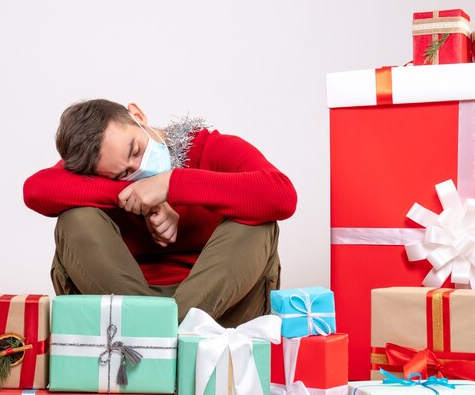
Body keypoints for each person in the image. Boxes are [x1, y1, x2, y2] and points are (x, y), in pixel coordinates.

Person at [23, 99, 297, 327]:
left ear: (138, 115)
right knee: (76, 218)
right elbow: (36, 190)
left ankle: (159, 333)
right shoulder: (98, 165)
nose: (137, 167)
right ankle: (155, 329)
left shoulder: (208, 148)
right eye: (124, 174)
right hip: (126, 312)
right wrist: (139, 196)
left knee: (257, 218)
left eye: (136, 150)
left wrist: (171, 185)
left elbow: (282, 194)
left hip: (216, 315)